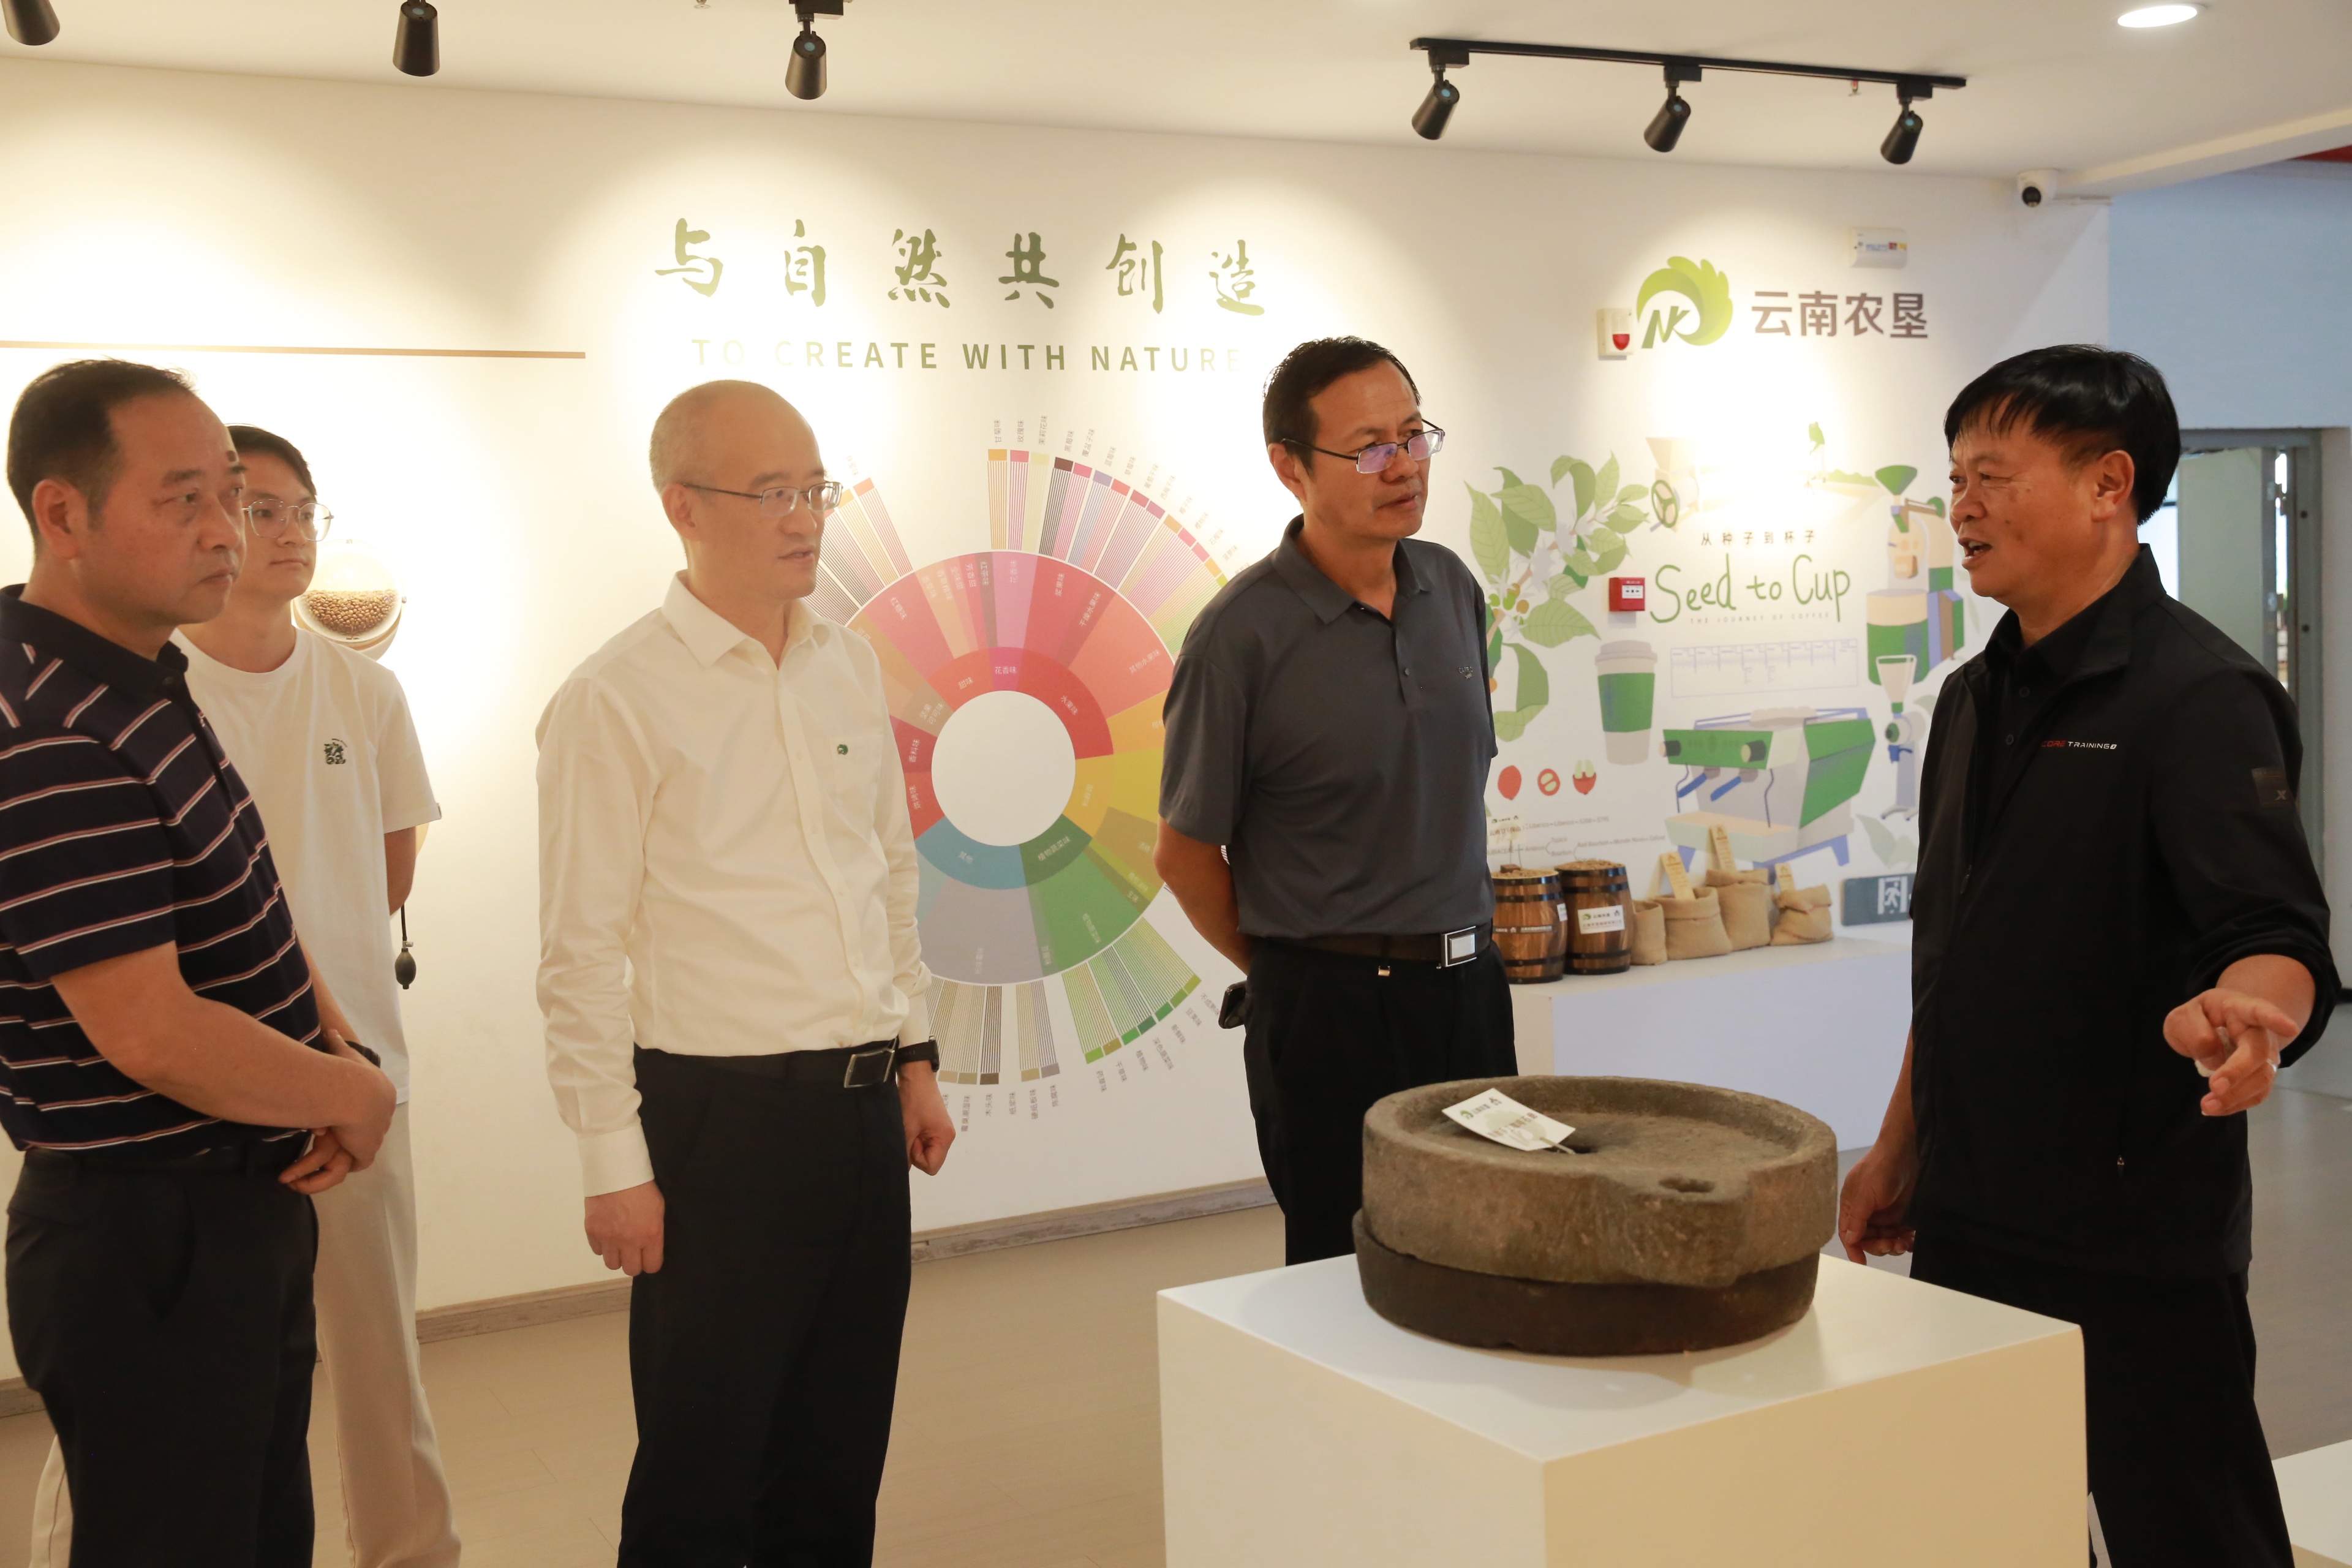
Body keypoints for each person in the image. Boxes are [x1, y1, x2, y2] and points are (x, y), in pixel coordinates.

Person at [1837, 345, 2334, 1567]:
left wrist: (2250, 1012)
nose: (1963, 507)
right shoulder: (1971, 697)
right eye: (1957, 477)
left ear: (2110, 485)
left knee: (2193, 1529)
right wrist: (1901, 1142)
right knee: (1994, 1523)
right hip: (1972, 1212)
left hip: (2132, 1226)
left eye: (1994, 476)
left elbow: (2274, 933)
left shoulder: (2199, 695)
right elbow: (1957, 955)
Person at [23, 424, 460, 1567]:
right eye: (230, 504)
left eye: (289, 508)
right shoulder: (116, 699)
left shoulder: (347, 690)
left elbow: (378, 873)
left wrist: (341, 1066)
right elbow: (143, 1012)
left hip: (349, 1078)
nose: (258, 531)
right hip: (180, 1135)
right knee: (152, 1440)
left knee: (361, 1368)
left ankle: (411, 1552)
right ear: (66, 516)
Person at [536, 379, 955, 1567]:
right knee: (703, 1466)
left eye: (815, 489)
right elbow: (578, 951)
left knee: (837, 1455)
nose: (804, 518)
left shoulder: (846, 665)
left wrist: (914, 1058)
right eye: (772, 493)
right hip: (718, 1124)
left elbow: (887, 873)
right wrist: (613, 1164)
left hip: (861, 1115)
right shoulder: (614, 696)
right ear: (683, 506)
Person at [1155, 336, 1512, 1266]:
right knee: (1342, 1279)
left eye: (1415, 436)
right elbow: (1184, 855)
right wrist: (1295, 974)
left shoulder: (1451, 587)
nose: (1404, 466)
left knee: (1491, 1258)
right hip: (1330, 1017)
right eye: (1369, 448)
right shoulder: (1240, 637)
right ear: (1290, 467)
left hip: (1471, 992)